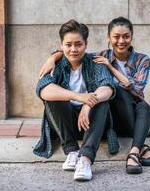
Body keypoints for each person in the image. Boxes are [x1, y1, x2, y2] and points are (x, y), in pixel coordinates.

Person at [39, 17, 150, 174]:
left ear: (131, 36)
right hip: (108, 115)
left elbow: (134, 87)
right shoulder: (99, 56)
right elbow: (73, 50)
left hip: (130, 113)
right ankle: (140, 147)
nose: (121, 41)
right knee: (103, 95)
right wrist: (53, 57)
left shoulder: (141, 60)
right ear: (109, 37)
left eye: (126, 36)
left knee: (137, 102)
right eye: (116, 36)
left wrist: (109, 67)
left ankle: (135, 151)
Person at [35, 19, 115, 181]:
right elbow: (43, 89)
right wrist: (78, 96)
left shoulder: (95, 63)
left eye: (78, 44)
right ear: (61, 45)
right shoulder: (56, 65)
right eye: (68, 44)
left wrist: (88, 103)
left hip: (91, 123)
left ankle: (85, 159)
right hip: (67, 125)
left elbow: (108, 87)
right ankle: (71, 151)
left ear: (86, 44)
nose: (73, 49)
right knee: (53, 97)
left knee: (101, 101)